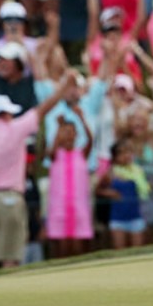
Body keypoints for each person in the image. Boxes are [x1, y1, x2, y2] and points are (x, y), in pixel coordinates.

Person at [0, 82, 70, 272]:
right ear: (4, 113)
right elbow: (43, 109)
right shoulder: (15, 128)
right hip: (9, 199)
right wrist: (63, 88)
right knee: (10, 259)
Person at [45, 109, 94, 259]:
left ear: (76, 134)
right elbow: (51, 150)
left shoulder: (81, 154)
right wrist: (59, 127)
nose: (68, 136)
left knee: (79, 247)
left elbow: (91, 140)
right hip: (60, 208)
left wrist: (82, 118)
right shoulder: (55, 155)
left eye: (71, 132)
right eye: (64, 132)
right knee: (61, 248)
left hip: (78, 207)